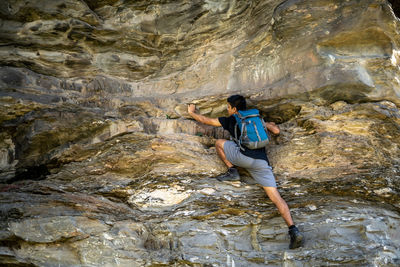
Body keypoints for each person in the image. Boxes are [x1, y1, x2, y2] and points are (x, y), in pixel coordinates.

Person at [188, 94, 304, 249]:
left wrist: (192, 113)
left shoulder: (230, 119)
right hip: (262, 163)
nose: (227, 109)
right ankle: (293, 229)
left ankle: (232, 171)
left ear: (234, 109)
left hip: (242, 158)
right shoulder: (256, 118)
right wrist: (269, 124)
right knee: (277, 198)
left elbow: (206, 121)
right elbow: (276, 131)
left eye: (228, 107)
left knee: (219, 143)